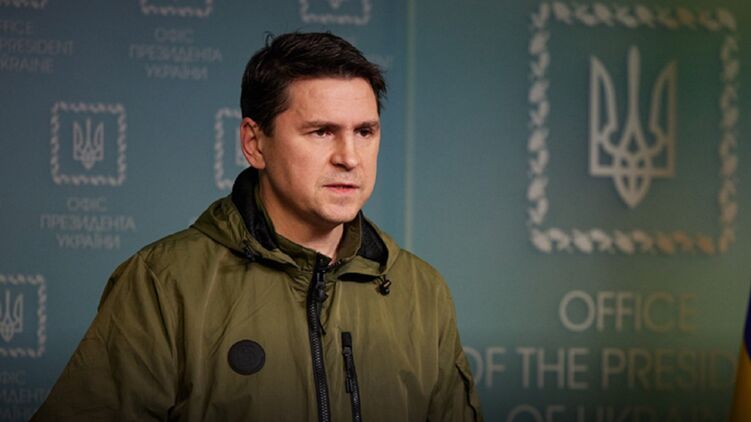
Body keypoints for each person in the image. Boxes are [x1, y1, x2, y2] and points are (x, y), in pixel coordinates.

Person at [33, 32, 483, 421]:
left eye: (365, 132)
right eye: (321, 132)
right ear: (254, 142)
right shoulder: (163, 283)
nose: (349, 157)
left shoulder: (422, 291)